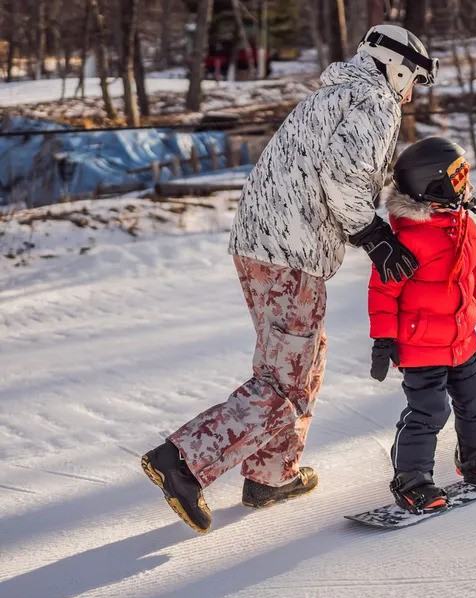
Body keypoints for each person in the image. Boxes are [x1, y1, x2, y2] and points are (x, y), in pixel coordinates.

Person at [141, 24, 439, 534]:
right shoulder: (374, 101)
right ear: (397, 66)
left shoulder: (333, 94)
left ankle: (273, 474)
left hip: (260, 247)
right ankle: (184, 461)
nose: (411, 93)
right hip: (290, 255)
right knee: (285, 383)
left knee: (300, 361)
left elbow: (330, 170)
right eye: (414, 79)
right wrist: (374, 234)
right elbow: (344, 176)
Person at [367, 137, 476, 514]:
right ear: (431, 183)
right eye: (457, 175)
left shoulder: (464, 226)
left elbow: (475, 276)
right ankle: (412, 477)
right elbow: (382, 291)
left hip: (462, 340)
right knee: (429, 411)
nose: (465, 181)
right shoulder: (407, 239)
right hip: (421, 348)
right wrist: (383, 340)